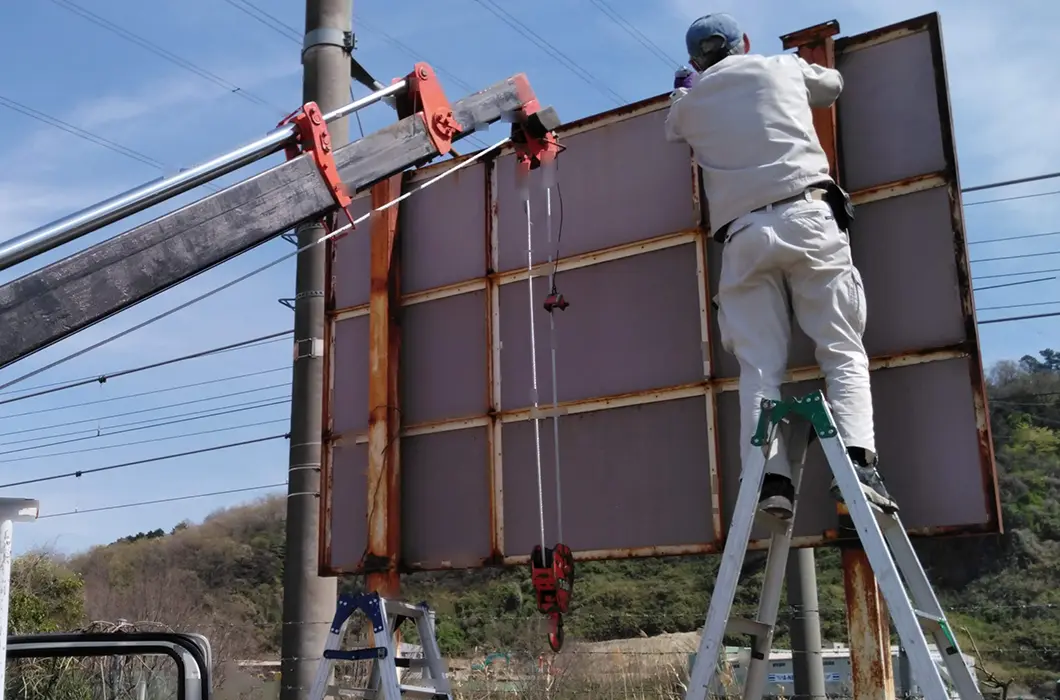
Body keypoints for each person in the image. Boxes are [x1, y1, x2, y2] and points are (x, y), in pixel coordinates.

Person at [663, 12, 897, 520]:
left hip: (744, 237)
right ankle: (857, 466)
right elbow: (831, 85)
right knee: (840, 349)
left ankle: (770, 478)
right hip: (807, 215)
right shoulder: (780, 66)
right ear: (744, 41)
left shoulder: (691, 103)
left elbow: (672, 124)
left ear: (694, 62)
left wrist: (686, 91)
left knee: (759, 368)